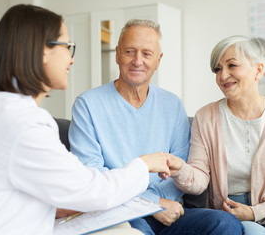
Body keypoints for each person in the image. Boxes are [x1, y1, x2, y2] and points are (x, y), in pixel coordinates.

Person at [0, 4, 174, 235]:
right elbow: (94, 191)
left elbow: (11, 191)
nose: (71, 60)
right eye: (68, 47)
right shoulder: (24, 123)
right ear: (43, 51)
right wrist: (144, 164)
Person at [69, 19, 244, 235]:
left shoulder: (172, 105)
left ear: (158, 60)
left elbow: (180, 169)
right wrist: (152, 203)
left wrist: (163, 205)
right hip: (122, 211)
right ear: (117, 54)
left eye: (147, 54)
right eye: (130, 52)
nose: (137, 61)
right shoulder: (87, 105)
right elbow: (93, 176)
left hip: (172, 212)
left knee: (225, 224)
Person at [168, 35, 265, 234]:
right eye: (217, 69)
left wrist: (257, 211)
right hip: (232, 209)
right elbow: (199, 179)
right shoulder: (205, 117)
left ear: (258, 70)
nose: (223, 75)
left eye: (232, 65)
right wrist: (180, 169)